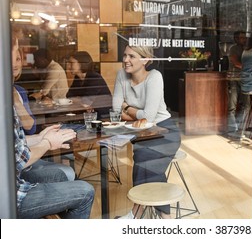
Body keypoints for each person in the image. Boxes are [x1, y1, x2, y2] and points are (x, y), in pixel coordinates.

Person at [112, 45, 181, 219]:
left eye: (132, 56)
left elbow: (149, 117)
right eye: (125, 55)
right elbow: (115, 111)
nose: (126, 60)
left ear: (145, 60)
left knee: (143, 159)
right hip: (141, 135)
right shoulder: (121, 75)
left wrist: (127, 107)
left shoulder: (154, 77)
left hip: (165, 131)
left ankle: (135, 213)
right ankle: (166, 219)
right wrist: (138, 116)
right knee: (151, 166)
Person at [12, 31, 75, 181]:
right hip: (19, 164)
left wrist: (17, 98)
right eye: (10, 58)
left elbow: (31, 127)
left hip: (57, 109)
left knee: (69, 175)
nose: (14, 64)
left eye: (18, 59)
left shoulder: (18, 91)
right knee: (75, 181)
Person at [14, 114, 95, 218]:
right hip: (11, 197)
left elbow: (15, 143)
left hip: (15, 180)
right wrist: (47, 143)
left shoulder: (5, 104)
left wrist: (39, 137)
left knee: (60, 176)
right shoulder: (5, 105)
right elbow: (20, 160)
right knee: (86, 191)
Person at [66, 51, 112, 119]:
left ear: (81, 63)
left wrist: (79, 100)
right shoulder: (78, 78)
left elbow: (86, 102)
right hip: (89, 115)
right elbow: (69, 96)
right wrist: (81, 101)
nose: (69, 66)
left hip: (103, 117)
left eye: (71, 63)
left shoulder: (95, 78)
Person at [227, 30, 247, 136]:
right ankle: (232, 130)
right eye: (242, 38)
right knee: (232, 106)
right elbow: (236, 63)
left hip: (244, 80)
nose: (244, 39)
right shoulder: (233, 49)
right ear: (236, 39)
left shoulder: (247, 49)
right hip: (234, 80)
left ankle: (239, 128)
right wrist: (250, 67)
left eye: (245, 37)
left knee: (245, 105)